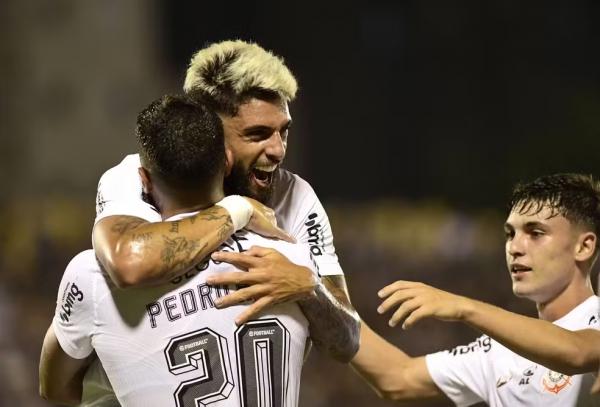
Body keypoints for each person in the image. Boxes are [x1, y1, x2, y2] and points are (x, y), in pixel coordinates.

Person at [40, 95, 319, 406]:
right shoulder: (289, 257)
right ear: (226, 161)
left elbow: (54, 388)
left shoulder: (91, 275)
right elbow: (335, 343)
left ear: (144, 179)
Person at [91, 40, 359, 361]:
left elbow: (347, 341)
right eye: (258, 134)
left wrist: (309, 288)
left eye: (283, 131)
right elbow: (128, 263)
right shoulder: (141, 177)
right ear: (210, 134)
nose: (278, 150)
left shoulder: (295, 196)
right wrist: (238, 210)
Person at [351, 173, 600, 406]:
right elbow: (397, 377)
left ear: (584, 247)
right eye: (510, 233)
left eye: (535, 233)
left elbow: (576, 352)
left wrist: (464, 307)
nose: (515, 247)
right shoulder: (498, 350)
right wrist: (329, 300)